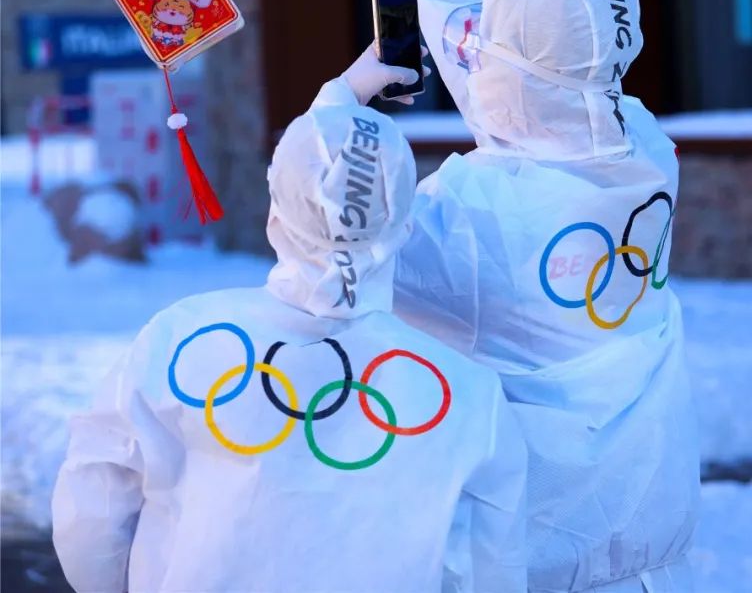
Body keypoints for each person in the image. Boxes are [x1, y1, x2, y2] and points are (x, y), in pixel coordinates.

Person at [51, 45, 528, 593]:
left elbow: (93, 510)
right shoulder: (467, 395)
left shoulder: (179, 339)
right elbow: (493, 567)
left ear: (274, 205)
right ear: (405, 222)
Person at [337, 0, 701, 592]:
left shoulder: (480, 216)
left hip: (531, 553)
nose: (477, 49)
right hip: (639, 549)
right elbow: (534, 71)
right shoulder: (644, 148)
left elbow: (330, 236)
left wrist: (342, 99)